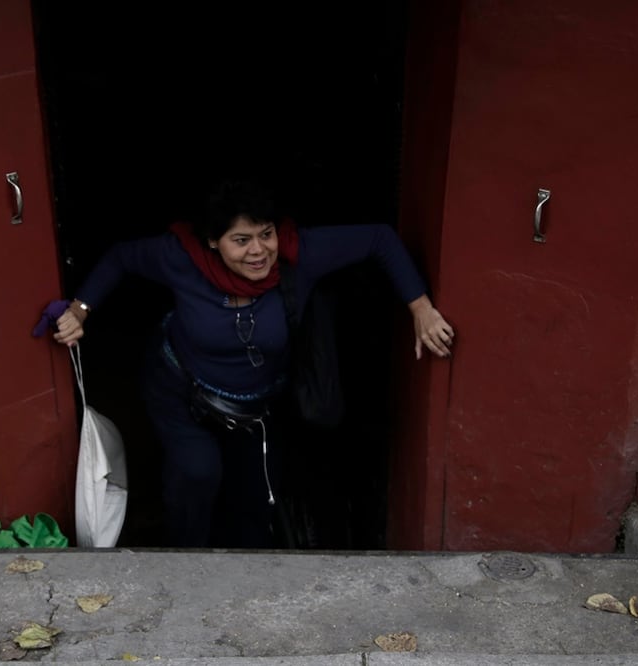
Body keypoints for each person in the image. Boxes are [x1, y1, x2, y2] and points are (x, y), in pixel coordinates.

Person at [36, 180, 453, 548]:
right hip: (180, 391)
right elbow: (121, 258)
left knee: (256, 501)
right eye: (241, 240)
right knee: (198, 473)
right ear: (213, 241)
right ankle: (183, 565)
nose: (259, 251)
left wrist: (421, 308)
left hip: (257, 407)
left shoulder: (298, 254)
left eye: (266, 234)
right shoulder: (180, 258)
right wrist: (80, 309)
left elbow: (379, 238)